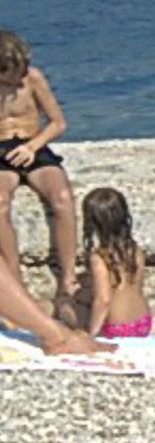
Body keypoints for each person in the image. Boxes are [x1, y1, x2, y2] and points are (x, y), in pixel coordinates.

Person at [0, 27, 81, 322]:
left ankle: (68, 279)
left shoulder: (33, 79)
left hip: (33, 145)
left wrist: (33, 146)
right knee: (1, 203)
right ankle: (15, 281)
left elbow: (58, 123)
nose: (18, 79)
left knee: (61, 198)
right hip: (2, 151)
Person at [81, 187, 155, 338]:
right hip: (144, 322)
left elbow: (103, 300)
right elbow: (136, 287)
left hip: (118, 328)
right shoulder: (135, 251)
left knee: (68, 310)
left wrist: (90, 334)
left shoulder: (99, 258)